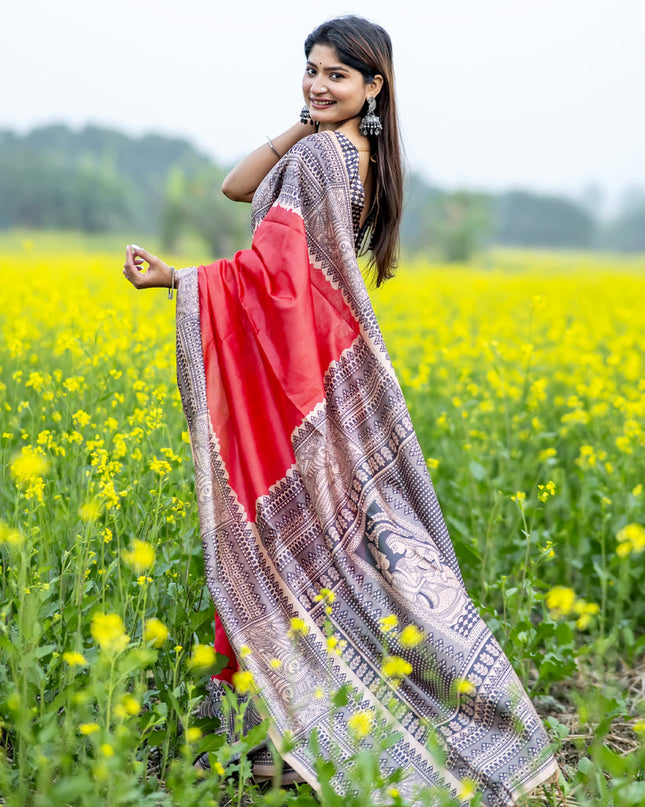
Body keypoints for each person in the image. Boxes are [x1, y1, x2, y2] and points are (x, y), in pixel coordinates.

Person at [123, 15, 558, 805]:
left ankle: (287, 744)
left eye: (337, 76)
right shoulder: (356, 154)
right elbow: (237, 188)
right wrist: (310, 116)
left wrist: (177, 281)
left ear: (374, 85)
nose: (318, 84)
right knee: (345, 559)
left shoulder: (324, 155)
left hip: (297, 386)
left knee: (287, 558)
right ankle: (309, 739)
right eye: (310, 70)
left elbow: (273, 274)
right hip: (326, 372)